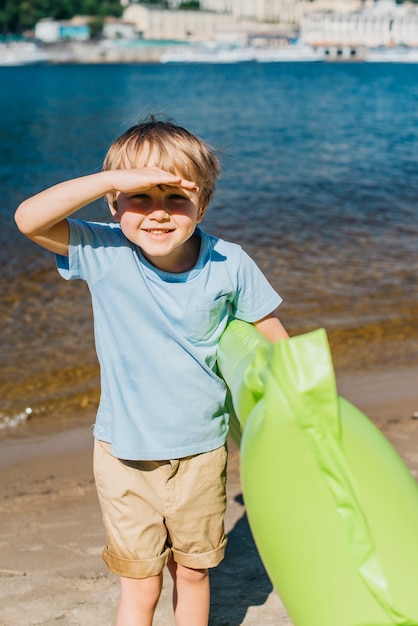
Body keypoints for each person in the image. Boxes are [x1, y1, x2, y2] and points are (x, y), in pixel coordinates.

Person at [14, 116, 289, 626]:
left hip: (202, 450)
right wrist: (113, 180)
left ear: (201, 204)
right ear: (114, 204)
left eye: (175, 199)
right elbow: (29, 219)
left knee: (193, 573)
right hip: (123, 454)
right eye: (141, 197)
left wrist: (295, 403)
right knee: (140, 582)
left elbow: (270, 332)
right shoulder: (105, 252)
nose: (158, 214)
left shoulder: (230, 262)